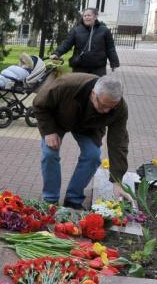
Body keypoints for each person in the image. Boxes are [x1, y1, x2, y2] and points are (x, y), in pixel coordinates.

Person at [32, 73, 133, 210]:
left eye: (111, 107)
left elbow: (118, 142)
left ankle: (73, 199)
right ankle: (50, 199)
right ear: (93, 94)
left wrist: (117, 181)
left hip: (89, 127)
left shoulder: (120, 108)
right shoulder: (67, 85)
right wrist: (49, 131)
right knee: (50, 153)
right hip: (57, 120)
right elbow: (39, 104)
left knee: (93, 156)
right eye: (103, 105)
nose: (106, 111)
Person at [51, 8, 119, 77]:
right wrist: (57, 53)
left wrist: (114, 63)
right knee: (78, 84)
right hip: (80, 67)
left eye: (89, 15)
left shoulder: (104, 31)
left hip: (98, 68)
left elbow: (110, 48)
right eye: (84, 16)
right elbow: (66, 44)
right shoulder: (76, 30)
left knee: (97, 84)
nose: (86, 17)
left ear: (95, 17)